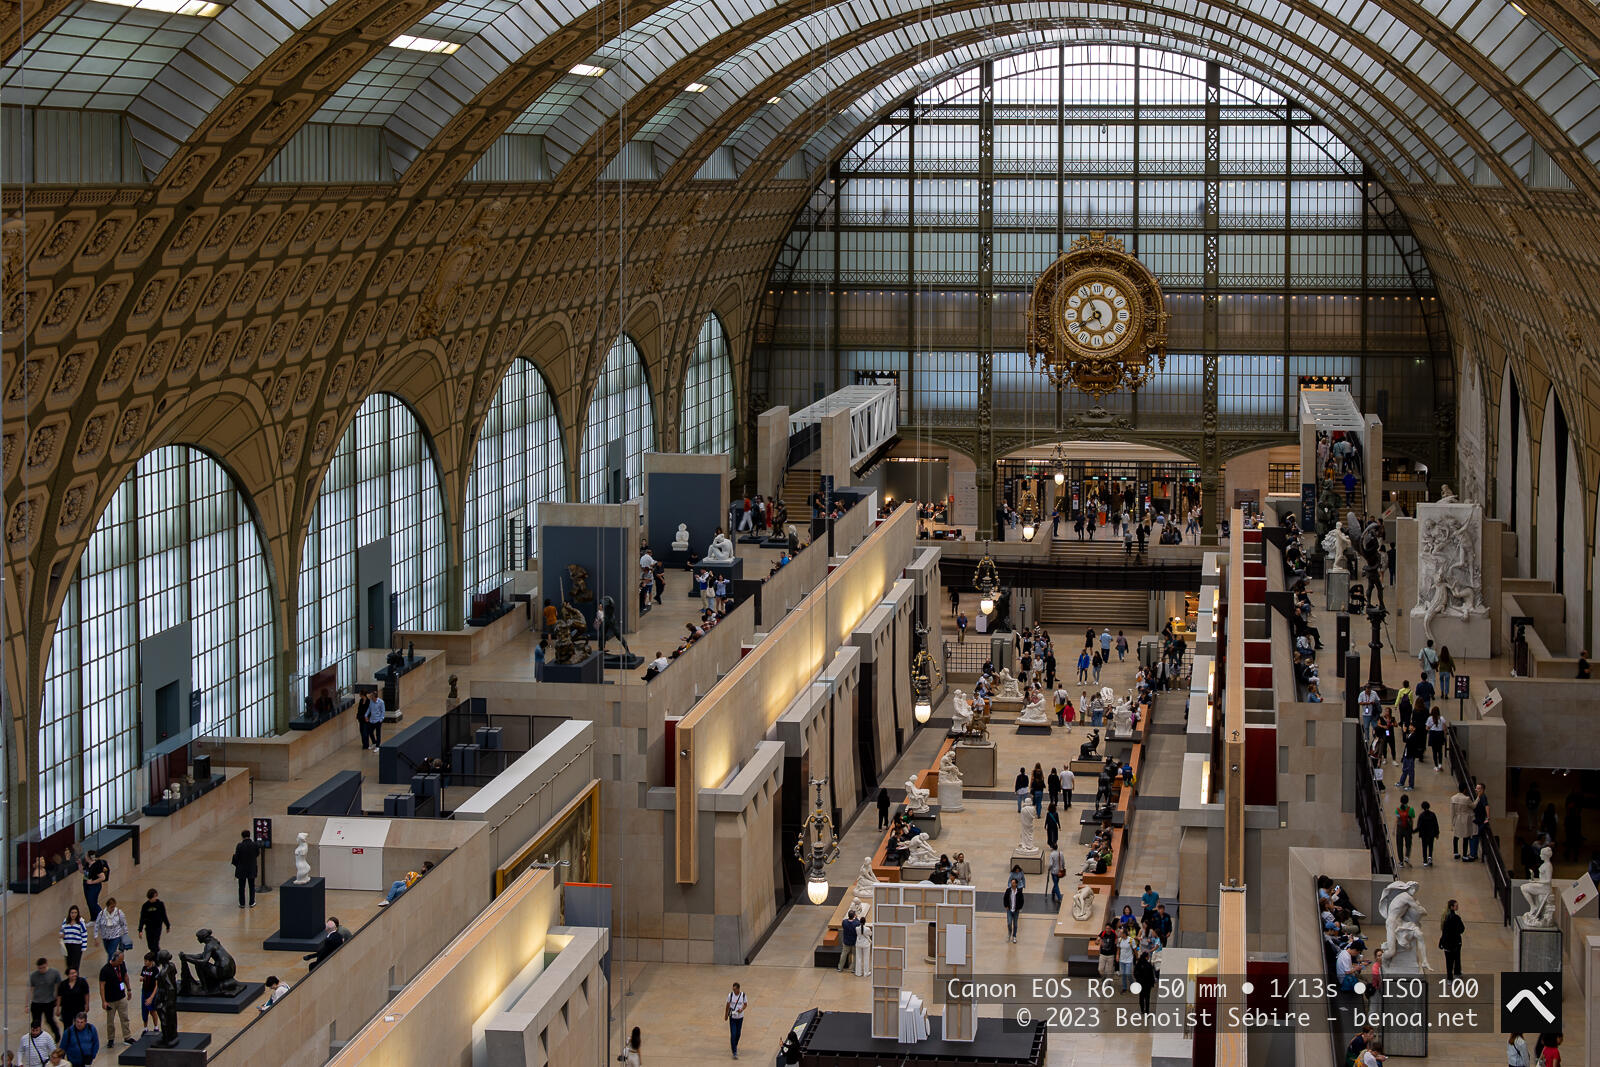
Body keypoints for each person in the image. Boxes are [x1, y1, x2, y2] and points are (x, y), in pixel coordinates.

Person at [97, 950, 130, 1048]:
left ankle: (127, 1037)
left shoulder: (122, 965)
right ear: (114, 960)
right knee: (110, 1021)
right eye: (119, 961)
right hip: (110, 1000)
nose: (121, 962)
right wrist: (103, 1001)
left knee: (125, 1018)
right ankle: (110, 1039)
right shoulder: (105, 970)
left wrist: (129, 989)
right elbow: (102, 986)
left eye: (122, 961)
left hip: (121, 997)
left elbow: (125, 976)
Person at [29, 958, 62, 1040]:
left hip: (48, 1002)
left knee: (49, 1020)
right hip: (36, 1002)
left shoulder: (54, 973)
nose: (41, 970)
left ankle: (57, 1034)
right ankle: (37, 1037)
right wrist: (27, 1003)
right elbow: (31, 989)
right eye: (39, 968)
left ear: (46, 965)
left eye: (43, 968)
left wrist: (58, 1004)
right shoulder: (33, 975)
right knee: (36, 1021)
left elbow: (59, 988)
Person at [56, 969, 89, 1037]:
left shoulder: (82, 982)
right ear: (68, 975)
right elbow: (59, 996)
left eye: (75, 973)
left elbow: (86, 994)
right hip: (66, 1009)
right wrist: (58, 1008)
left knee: (80, 1025)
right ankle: (67, 1041)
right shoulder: (63, 984)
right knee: (67, 1027)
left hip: (79, 1008)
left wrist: (87, 1004)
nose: (74, 975)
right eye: (72, 973)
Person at [231, 830, 259, 908]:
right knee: (251, 886)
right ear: (249, 835)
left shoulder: (239, 845)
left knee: (241, 887)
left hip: (241, 869)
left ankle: (242, 903)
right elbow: (257, 854)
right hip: (251, 869)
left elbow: (236, 857)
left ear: (242, 836)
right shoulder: (254, 845)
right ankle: (252, 902)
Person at [136, 890, 168, 955]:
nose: (155, 898)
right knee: (150, 945)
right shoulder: (145, 906)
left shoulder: (160, 904)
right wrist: (140, 929)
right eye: (154, 897)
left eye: (156, 896)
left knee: (155, 944)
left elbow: (164, 915)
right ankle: (157, 955)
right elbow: (142, 918)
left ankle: (156, 959)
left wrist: (167, 925)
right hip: (149, 928)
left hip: (157, 927)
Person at [60, 906, 89, 976]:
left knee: (75, 964)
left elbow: (84, 934)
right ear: (69, 913)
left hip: (77, 946)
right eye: (72, 913)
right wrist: (61, 934)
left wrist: (83, 947)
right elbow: (62, 930)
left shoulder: (80, 922)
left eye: (75, 913)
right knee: (68, 964)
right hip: (67, 945)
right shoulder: (65, 921)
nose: (74, 914)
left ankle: (76, 978)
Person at [1440, 898, 1464, 980]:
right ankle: (1457, 972)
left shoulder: (1445, 918)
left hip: (1447, 943)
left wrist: (1441, 942)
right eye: (1456, 906)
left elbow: (1444, 932)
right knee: (1457, 957)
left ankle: (1449, 978)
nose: (1458, 907)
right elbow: (1462, 929)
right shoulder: (1456, 918)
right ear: (1452, 907)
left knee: (1449, 962)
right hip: (1456, 942)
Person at [81, 852, 108, 922]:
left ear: (89, 857)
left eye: (86, 855)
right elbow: (83, 872)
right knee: (89, 903)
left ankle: (103, 917)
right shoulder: (87, 864)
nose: (85, 857)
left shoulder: (96, 865)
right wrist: (79, 864)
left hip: (94, 886)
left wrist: (92, 882)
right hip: (86, 885)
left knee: (92, 903)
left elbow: (103, 877)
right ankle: (93, 919)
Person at [724, 982, 748, 1059]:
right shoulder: (730, 995)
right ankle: (734, 1051)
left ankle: (735, 1044)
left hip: (740, 1017)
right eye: (733, 989)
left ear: (738, 989)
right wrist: (726, 1015)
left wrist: (742, 1009)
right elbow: (727, 1005)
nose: (734, 991)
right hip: (733, 1018)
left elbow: (745, 1004)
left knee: (738, 1033)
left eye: (735, 989)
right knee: (733, 1034)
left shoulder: (743, 995)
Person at [138, 951, 159, 1033]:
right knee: (144, 1010)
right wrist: (141, 978)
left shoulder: (155, 970)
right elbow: (142, 976)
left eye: (146, 961)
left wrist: (151, 997)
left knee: (152, 1010)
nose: (145, 962)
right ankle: (145, 1028)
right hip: (144, 991)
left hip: (151, 992)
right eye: (144, 961)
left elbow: (157, 985)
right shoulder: (144, 968)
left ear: (151, 961)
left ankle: (156, 1027)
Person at [1470, 782, 1491, 861]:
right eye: (1476, 788)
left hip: (1480, 821)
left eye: (1478, 788)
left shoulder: (1483, 797)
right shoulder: (1479, 796)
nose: (1476, 790)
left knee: (1475, 836)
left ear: (1482, 789)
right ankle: (1473, 853)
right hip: (1477, 820)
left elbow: (1486, 806)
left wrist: (1487, 818)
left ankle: (1473, 854)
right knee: (1474, 836)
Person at [1416, 800, 1440, 867]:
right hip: (1431, 834)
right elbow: (1436, 824)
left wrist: (1414, 831)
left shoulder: (1421, 815)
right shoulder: (1433, 814)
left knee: (1424, 847)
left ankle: (1425, 861)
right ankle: (1430, 857)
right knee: (1430, 846)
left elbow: (1419, 826)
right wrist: (1437, 833)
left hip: (1424, 835)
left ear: (1422, 807)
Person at [1133, 949, 1156, 1013]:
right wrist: (1152, 983)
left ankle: (1142, 1010)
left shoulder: (1138, 964)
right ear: (1146, 957)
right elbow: (1151, 975)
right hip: (1147, 985)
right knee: (1147, 998)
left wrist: (1138, 980)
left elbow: (1135, 973)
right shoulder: (1149, 965)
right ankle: (1147, 1010)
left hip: (1140, 984)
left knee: (1141, 997)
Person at [1003, 876, 1024, 943]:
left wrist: (1019, 907)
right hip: (1009, 909)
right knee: (1009, 923)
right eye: (1011, 883)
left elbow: (1022, 900)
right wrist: (1006, 906)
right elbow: (1005, 898)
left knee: (1015, 924)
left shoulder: (1019, 892)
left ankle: (1014, 936)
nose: (1012, 884)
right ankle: (1009, 933)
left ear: (1016, 884)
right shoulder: (1008, 890)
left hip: (1016, 910)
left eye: (1013, 883)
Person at [1117, 927, 1137, 993]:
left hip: (1129, 960)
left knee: (1128, 973)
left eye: (1121, 933)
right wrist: (1117, 955)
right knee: (1123, 974)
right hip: (1122, 960)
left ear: (1124, 934)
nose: (1120, 934)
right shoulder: (1119, 940)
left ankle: (1132, 984)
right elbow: (1118, 949)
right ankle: (1124, 987)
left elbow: (1135, 950)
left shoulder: (1131, 940)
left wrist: (1137, 958)